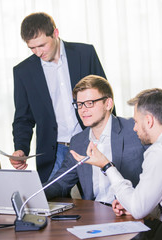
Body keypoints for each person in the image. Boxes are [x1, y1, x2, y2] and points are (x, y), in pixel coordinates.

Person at [10, 12, 110, 183]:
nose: (37, 52)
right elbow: (23, 118)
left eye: (41, 45)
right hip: (53, 151)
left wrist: (109, 140)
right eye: (32, 48)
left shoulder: (85, 54)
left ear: (55, 33)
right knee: (51, 205)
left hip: (91, 144)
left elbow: (105, 99)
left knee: (98, 202)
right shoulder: (23, 71)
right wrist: (20, 149)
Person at [72, 88, 162, 239]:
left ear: (149, 121)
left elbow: (139, 209)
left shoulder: (158, 152)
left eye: (136, 121)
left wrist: (106, 165)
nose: (134, 127)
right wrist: (132, 204)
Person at [44, 75, 146, 206]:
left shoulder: (134, 129)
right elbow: (60, 182)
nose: (83, 110)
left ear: (108, 104)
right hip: (93, 214)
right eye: (79, 104)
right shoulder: (78, 142)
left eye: (90, 103)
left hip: (131, 211)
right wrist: (28, 195)